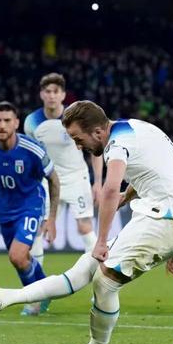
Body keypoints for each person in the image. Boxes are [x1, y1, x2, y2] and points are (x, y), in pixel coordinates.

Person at [0, 100, 173, 344]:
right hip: (162, 219)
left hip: (162, 221)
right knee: (85, 267)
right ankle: (3, 297)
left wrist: (102, 240)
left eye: (78, 138)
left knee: (104, 281)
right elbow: (154, 170)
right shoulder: (136, 128)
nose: (77, 146)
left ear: (97, 132)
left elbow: (109, 189)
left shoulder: (116, 145)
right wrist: (129, 195)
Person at [0, 101, 59, 317]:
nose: (2, 125)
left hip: (31, 205)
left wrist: (52, 217)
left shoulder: (31, 149)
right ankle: (47, 289)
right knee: (21, 260)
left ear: (16, 123)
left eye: (7, 120)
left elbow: (54, 179)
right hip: (5, 210)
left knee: (17, 255)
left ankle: (33, 301)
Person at [23, 73, 103, 315]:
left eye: (55, 91)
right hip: (48, 180)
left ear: (63, 95)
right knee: (38, 230)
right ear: (41, 94)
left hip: (77, 178)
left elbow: (96, 148)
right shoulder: (32, 122)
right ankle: (36, 297)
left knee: (85, 228)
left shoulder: (76, 116)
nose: (51, 96)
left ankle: (101, 289)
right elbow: (30, 154)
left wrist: (98, 182)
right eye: (47, 91)